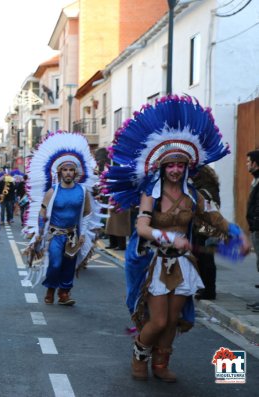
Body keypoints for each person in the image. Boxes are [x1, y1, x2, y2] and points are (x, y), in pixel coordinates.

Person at [103, 95, 250, 383]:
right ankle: (139, 355)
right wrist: (166, 235)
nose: (175, 169)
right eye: (170, 164)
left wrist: (239, 237)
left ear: (187, 167)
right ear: (161, 166)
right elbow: (143, 227)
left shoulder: (194, 195)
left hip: (183, 265)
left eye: (180, 165)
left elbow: (217, 221)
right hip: (156, 263)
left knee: (172, 320)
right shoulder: (151, 193)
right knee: (157, 320)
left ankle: (161, 362)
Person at [23, 132, 102, 306]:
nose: (68, 173)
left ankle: (64, 293)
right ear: (60, 172)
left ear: (75, 172)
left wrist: (83, 234)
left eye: (71, 169)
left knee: (69, 265)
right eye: (65, 169)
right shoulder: (52, 191)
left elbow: (87, 213)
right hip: (55, 235)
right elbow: (42, 214)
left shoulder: (82, 191)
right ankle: (51, 288)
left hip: (73, 234)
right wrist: (39, 234)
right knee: (56, 263)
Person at [190, 165, 221, 300]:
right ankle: (206, 289)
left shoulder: (204, 190)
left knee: (206, 261)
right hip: (205, 229)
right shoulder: (208, 187)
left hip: (204, 229)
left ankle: (209, 291)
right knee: (203, 260)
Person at [246, 150, 259, 300]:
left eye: (249, 162)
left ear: (255, 164)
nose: (247, 165)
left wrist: (255, 223)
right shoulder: (255, 180)